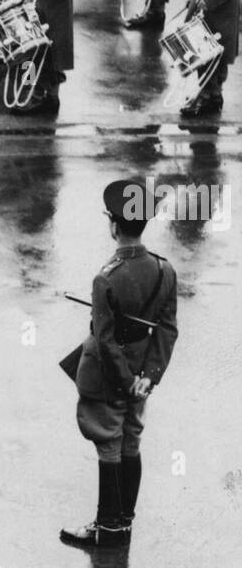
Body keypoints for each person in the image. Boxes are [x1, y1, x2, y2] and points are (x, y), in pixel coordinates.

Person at [60, 180, 178, 548]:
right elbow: (168, 329)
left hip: (110, 378)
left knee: (108, 443)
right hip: (143, 374)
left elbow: (107, 341)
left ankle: (108, 527)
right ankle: (124, 521)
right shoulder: (164, 269)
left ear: (114, 224)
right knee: (131, 439)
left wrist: (126, 381)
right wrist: (147, 378)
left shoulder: (105, 278)